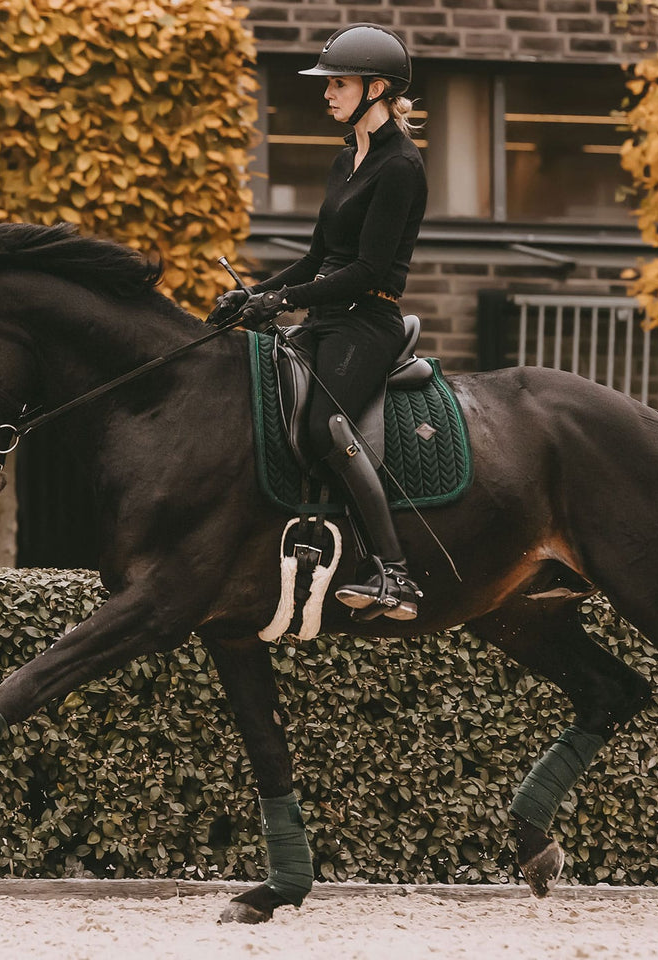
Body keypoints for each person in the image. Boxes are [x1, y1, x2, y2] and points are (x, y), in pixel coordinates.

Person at [209, 23, 428, 621]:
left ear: (377, 88)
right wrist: (252, 294)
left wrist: (281, 304)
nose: (327, 93)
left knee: (324, 427)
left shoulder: (401, 167)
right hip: (327, 316)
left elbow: (364, 270)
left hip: (367, 321)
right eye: (327, 84)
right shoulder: (344, 159)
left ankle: (395, 571)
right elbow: (316, 258)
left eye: (339, 84)